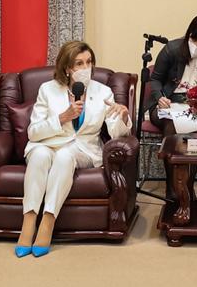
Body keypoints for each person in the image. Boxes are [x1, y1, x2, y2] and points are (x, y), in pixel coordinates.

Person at [15, 41, 132, 258]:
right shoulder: (47, 90)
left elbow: (116, 134)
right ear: (68, 68)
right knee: (40, 155)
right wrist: (62, 117)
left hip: (83, 149)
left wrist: (123, 116)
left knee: (65, 156)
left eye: (88, 62)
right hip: (47, 142)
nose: (85, 68)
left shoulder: (103, 91)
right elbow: (33, 132)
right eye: (79, 63)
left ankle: (48, 220)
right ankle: (29, 220)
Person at [147, 13, 197, 198]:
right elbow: (156, 79)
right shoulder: (172, 49)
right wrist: (160, 97)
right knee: (171, 127)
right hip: (167, 104)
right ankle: (173, 188)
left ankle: (187, 186)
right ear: (190, 35)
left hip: (196, 106)